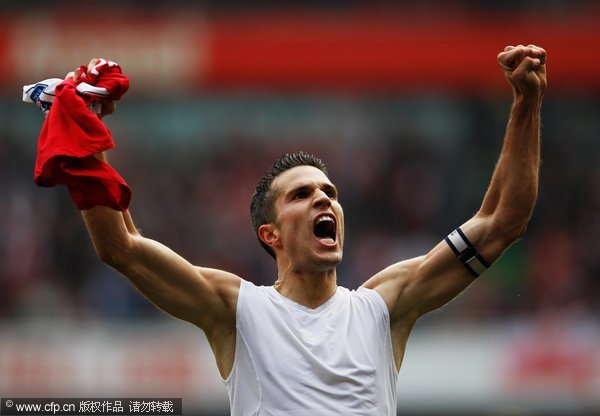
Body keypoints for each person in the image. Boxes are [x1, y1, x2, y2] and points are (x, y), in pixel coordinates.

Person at [66, 45, 545, 415]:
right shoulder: (238, 310)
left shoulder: (384, 307)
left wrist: (526, 103)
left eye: (330, 192)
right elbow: (120, 247)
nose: (324, 199)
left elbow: (502, 222)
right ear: (269, 235)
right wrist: (84, 134)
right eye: (301, 195)